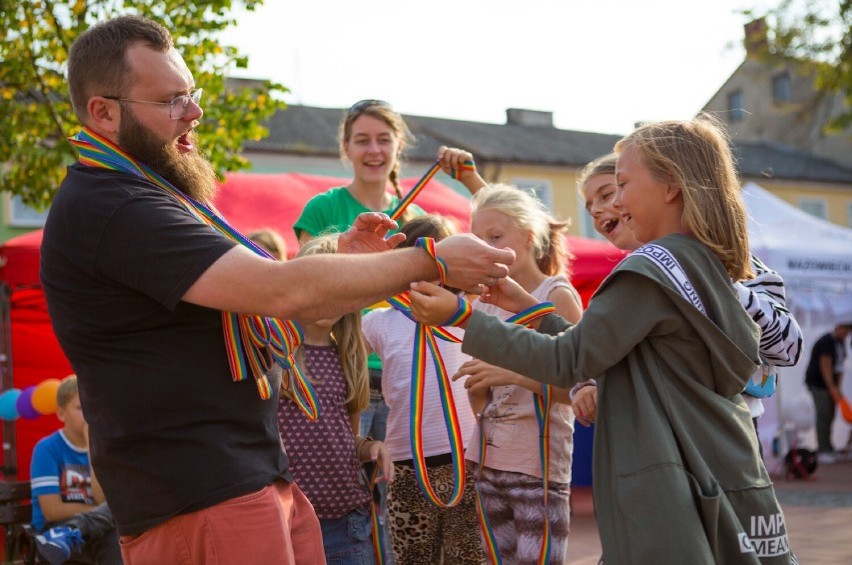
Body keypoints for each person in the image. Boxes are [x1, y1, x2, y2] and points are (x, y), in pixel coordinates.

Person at [40, 15, 513, 564]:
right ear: (103, 112)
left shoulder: (141, 194)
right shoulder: (114, 204)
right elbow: (279, 291)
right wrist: (427, 260)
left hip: (240, 479)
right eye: (171, 100)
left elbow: (285, 309)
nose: (194, 112)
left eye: (191, 94)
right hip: (198, 494)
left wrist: (345, 263)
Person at [411, 116, 797, 563]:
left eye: (623, 184)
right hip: (719, 459)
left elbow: (571, 360)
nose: (616, 203)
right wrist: (526, 305)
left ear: (670, 186)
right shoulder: (708, 263)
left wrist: (463, 317)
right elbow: (603, 351)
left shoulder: (650, 269)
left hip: (665, 478)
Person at [293, 100, 487, 561]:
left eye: (383, 139)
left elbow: (494, 240)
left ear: (399, 146)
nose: (373, 150)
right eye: (362, 140)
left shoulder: (417, 214)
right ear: (346, 148)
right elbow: (302, 282)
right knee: (355, 499)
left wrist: (469, 178)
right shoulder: (325, 206)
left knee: (401, 502)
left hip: (410, 378)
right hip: (351, 367)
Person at [579, 153, 803, 454]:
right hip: (657, 438)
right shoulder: (628, 280)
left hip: (725, 432)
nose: (597, 209)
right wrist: (591, 383)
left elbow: (788, 347)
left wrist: (713, 282)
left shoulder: (732, 262)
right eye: (589, 205)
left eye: (611, 191)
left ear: (666, 190)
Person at [450, 184, 590, 564]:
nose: (486, 249)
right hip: (487, 461)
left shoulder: (556, 294)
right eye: (478, 241)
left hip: (538, 468)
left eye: (496, 238)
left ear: (529, 238)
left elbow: (580, 387)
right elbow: (482, 393)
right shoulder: (485, 301)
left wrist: (506, 373)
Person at [361, 215, 484, 564]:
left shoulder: (469, 317)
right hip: (405, 466)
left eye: (441, 262)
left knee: (469, 556)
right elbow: (340, 346)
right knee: (411, 557)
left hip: (468, 461)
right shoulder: (380, 322)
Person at [278, 235, 392, 564]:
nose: (330, 296)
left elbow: (347, 438)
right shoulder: (275, 351)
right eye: (321, 284)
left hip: (344, 523)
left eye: (339, 286)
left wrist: (371, 447)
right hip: (286, 521)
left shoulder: (349, 357)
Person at [30, 375, 121, 565]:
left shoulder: (102, 448)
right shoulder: (47, 448)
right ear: (61, 413)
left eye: (92, 407)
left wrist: (91, 448)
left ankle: (78, 529)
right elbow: (52, 510)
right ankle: (73, 532)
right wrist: (100, 513)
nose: (89, 414)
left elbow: (101, 498)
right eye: (80, 408)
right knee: (115, 516)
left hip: (94, 530)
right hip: (54, 533)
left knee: (118, 532)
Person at [804, 323, 852, 463]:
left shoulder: (841, 343)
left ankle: (829, 448)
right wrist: (832, 387)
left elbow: (840, 367)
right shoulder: (826, 341)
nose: (846, 334)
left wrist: (838, 388)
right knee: (823, 415)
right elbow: (826, 366)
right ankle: (823, 450)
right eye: (845, 330)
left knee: (831, 415)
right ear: (838, 327)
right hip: (819, 385)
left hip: (830, 386)